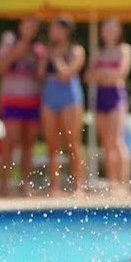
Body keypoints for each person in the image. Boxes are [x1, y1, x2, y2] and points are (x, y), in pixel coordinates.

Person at [0, 19, 45, 196]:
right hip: (12, 100)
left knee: (28, 145)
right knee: (10, 142)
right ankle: (4, 184)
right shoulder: (8, 45)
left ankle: (26, 184)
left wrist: (42, 60)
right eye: (28, 24)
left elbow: (40, 77)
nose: (30, 28)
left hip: (32, 101)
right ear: (20, 26)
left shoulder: (38, 50)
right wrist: (15, 54)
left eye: (34, 26)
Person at [39, 17, 87, 197]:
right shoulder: (49, 51)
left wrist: (56, 57)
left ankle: (78, 186)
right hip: (50, 95)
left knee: (73, 142)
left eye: (55, 28)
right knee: (52, 144)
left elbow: (66, 75)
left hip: (70, 97)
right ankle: (54, 187)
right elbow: (40, 74)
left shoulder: (77, 50)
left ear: (66, 30)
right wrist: (46, 57)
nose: (52, 32)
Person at [89, 18, 131, 196]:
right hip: (101, 97)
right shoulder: (98, 52)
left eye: (113, 28)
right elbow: (89, 76)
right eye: (106, 28)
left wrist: (103, 74)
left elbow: (121, 73)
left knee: (117, 141)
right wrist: (107, 74)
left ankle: (124, 183)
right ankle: (112, 183)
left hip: (116, 97)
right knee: (106, 143)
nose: (109, 32)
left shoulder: (124, 49)